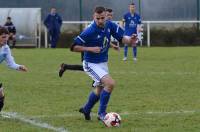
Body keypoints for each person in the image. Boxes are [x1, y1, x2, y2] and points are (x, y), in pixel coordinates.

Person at [70, 6, 137, 122]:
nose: (100, 21)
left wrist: (130, 40)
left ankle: (86, 109)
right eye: (98, 18)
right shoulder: (89, 30)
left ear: (106, 16)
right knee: (110, 83)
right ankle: (102, 114)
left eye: (102, 18)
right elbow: (73, 47)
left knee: (99, 90)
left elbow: (122, 38)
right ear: (94, 17)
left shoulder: (110, 25)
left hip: (103, 63)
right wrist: (90, 49)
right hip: (90, 64)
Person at [58, 8, 119, 78]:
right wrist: (90, 49)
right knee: (92, 67)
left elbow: (104, 39)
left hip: (94, 49)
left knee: (93, 68)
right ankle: (97, 83)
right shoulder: (94, 26)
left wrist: (112, 45)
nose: (109, 17)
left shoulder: (105, 25)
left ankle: (66, 66)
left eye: (111, 15)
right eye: (108, 15)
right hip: (87, 46)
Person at [0, 27, 28, 112]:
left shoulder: (6, 48)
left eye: (6, 37)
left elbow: (11, 63)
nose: (5, 39)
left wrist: (19, 67)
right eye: (3, 37)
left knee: (1, 98)